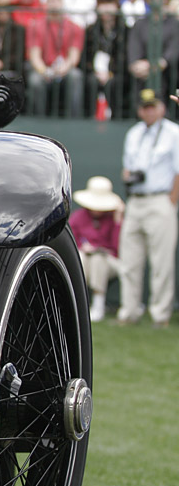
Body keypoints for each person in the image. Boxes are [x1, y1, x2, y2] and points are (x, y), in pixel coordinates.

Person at [118, 87, 179, 327]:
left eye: (153, 106)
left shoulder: (174, 132)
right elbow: (127, 169)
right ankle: (129, 312)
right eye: (145, 107)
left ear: (162, 108)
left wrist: (171, 203)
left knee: (161, 262)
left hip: (160, 200)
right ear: (139, 110)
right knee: (129, 261)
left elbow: (178, 171)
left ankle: (160, 314)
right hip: (136, 201)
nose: (149, 111)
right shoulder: (133, 133)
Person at [70, 176, 124, 321]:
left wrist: (118, 222)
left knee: (98, 259)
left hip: (108, 262)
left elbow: (117, 248)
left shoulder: (113, 219)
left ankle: (98, 305)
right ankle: (78, 304)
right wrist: (83, 247)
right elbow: (71, 242)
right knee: (82, 257)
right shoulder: (78, 217)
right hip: (84, 259)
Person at [25, 0, 86, 116]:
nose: (54, 3)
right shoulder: (36, 26)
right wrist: (44, 71)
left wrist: (63, 69)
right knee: (35, 80)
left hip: (64, 70)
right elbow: (34, 56)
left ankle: (73, 120)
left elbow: (74, 57)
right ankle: (38, 120)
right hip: (44, 69)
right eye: (50, 0)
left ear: (63, 1)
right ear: (46, 3)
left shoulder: (75, 27)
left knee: (75, 76)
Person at [84, 0, 130, 117]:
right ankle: (89, 118)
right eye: (102, 4)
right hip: (94, 74)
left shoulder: (126, 31)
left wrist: (110, 72)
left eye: (110, 4)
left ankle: (117, 117)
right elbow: (85, 58)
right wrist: (95, 72)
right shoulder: (91, 31)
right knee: (90, 82)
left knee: (115, 84)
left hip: (117, 74)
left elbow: (125, 58)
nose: (106, 8)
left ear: (117, 7)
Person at [0, 0, 29, 79]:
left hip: (11, 70)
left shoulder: (18, 29)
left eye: (4, 8)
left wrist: (2, 63)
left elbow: (19, 55)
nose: (1, 12)